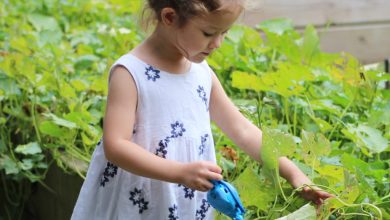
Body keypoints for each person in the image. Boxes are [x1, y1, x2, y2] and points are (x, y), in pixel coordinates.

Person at [71, 0, 332, 219]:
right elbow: (115, 146)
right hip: (140, 200)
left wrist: (294, 174)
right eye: (209, 33)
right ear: (170, 17)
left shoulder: (201, 73)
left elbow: (242, 130)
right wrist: (179, 172)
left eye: (224, 33)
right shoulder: (130, 74)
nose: (217, 43)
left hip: (185, 200)